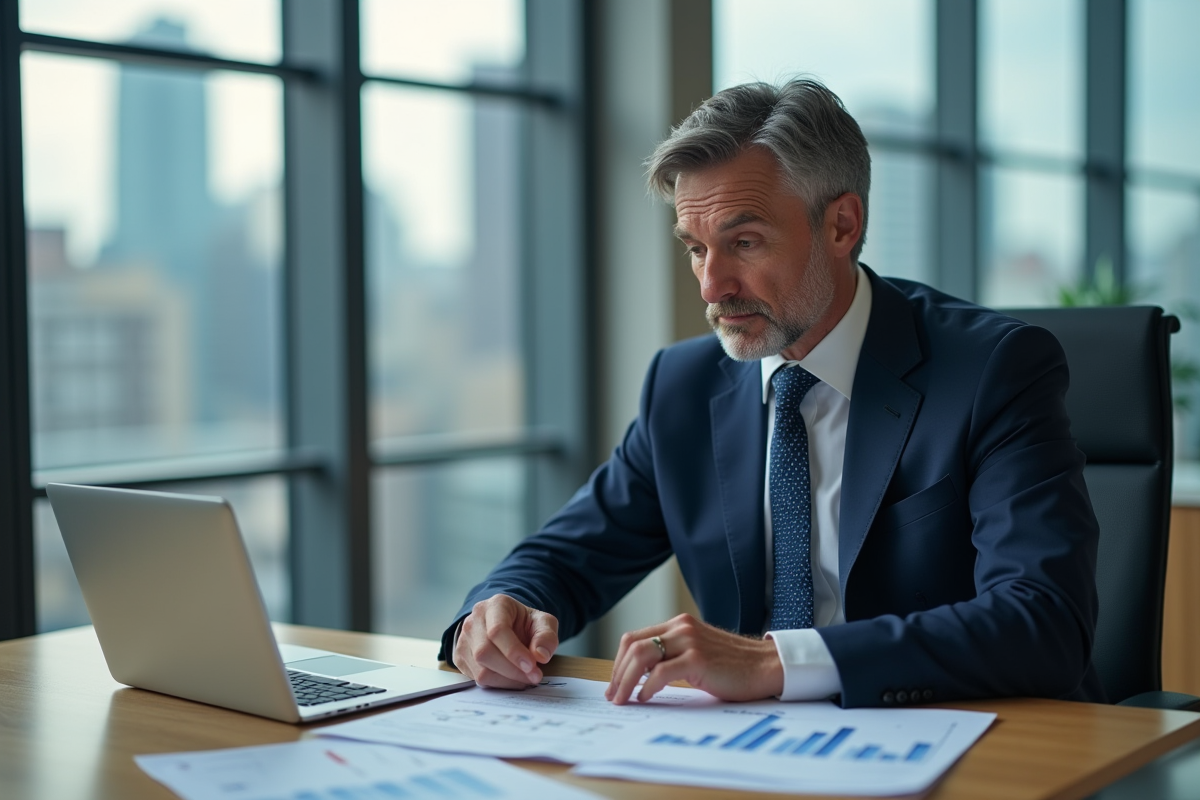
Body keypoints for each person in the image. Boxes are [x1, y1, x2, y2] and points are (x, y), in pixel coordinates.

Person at [438, 78, 1105, 708]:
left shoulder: (992, 369)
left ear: (842, 225)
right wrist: (500, 608)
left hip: (965, 748)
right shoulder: (683, 385)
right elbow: (570, 554)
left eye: (744, 242)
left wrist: (778, 662)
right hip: (752, 754)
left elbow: (1042, 621)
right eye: (696, 249)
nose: (711, 286)